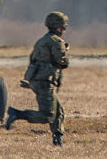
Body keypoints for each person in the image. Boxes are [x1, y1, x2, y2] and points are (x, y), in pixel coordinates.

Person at [5, 11, 70, 146]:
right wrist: (65, 50)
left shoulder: (42, 41)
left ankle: (57, 139)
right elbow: (63, 62)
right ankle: (17, 114)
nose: (64, 30)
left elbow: (33, 59)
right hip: (46, 82)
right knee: (47, 115)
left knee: (58, 112)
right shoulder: (56, 42)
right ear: (57, 27)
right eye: (62, 27)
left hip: (37, 80)